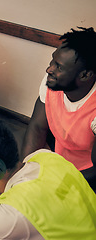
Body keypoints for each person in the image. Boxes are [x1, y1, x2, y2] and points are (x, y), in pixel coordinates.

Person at [21, 27, 96, 190]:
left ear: (85, 75)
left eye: (59, 67)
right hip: (59, 159)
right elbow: (37, 128)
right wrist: (25, 172)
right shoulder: (52, 82)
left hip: (88, 174)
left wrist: (57, 184)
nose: (49, 70)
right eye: (52, 62)